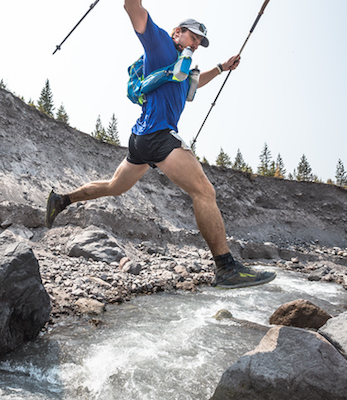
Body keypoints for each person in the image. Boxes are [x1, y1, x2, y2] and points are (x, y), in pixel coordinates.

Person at [46, 0, 276, 289]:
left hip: (141, 139)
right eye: (193, 37)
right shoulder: (158, 44)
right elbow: (133, 7)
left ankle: (61, 200)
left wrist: (221, 67)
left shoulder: (182, 65)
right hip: (158, 135)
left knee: (113, 187)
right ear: (177, 32)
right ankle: (226, 267)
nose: (195, 44)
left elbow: (191, 84)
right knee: (204, 191)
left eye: (200, 42)